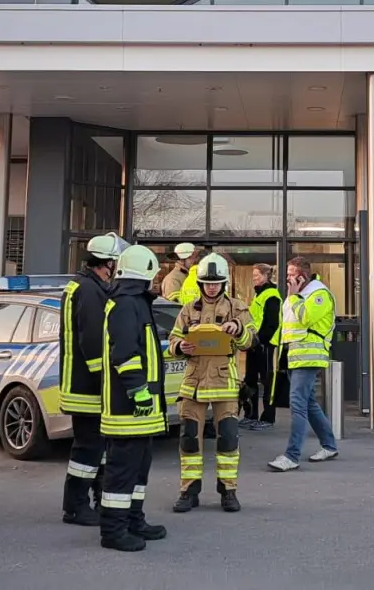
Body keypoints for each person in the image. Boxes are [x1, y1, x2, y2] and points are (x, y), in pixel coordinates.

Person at [168, 253, 254, 513]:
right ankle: (188, 492)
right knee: (189, 440)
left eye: (216, 283)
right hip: (193, 384)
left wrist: (238, 329)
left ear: (224, 283)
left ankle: (228, 492)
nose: (212, 287)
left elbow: (250, 341)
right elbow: (173, 340)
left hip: (225, 383)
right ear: (201, 284)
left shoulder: (237, 308)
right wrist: (180, 346)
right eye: (207, 283)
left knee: (228, 440)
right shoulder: (187, 309)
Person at [98, 244, 171, 551]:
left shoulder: (135, 302)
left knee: (138, 470)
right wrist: (138, 391)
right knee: (122, 472)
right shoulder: (126, 304)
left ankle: (133, 521)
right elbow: (125, 354)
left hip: (141, 410)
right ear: (144, 273)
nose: (156, 280)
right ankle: (114, 532)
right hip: (127, 408)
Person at [58, 231, 127, 527]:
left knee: (97, 449)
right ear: (108, 263)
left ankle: (96, 501)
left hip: (85, 385)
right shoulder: (89, 290)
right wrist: (106, 379)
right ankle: (75, 507)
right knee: (87, 451)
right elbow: (93, 340)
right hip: (87, 387)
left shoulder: (85, 286)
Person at [267, 256, 339, 472]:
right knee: (308, 403)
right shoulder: (298, 295)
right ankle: (329, 446)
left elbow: (305, 318)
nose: (288, 278)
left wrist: (293, 297)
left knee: (298, 404)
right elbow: (287, 326)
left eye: (291, 275)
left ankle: (292, 456)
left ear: (303, 276)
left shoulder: (319, 294)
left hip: (309, 356)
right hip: (295, 355)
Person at [242, 263, 281, 430]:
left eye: (257, 275)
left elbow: (272, 323)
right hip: (255, 343)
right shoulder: (260, 294)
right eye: (253, 276)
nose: (254, 278)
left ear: (266, 276)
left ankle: (267, 418)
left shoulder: (271, 295)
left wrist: (260, 340)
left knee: (266, 382)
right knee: (250, 380)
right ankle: (250, 415)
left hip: (264, 345)